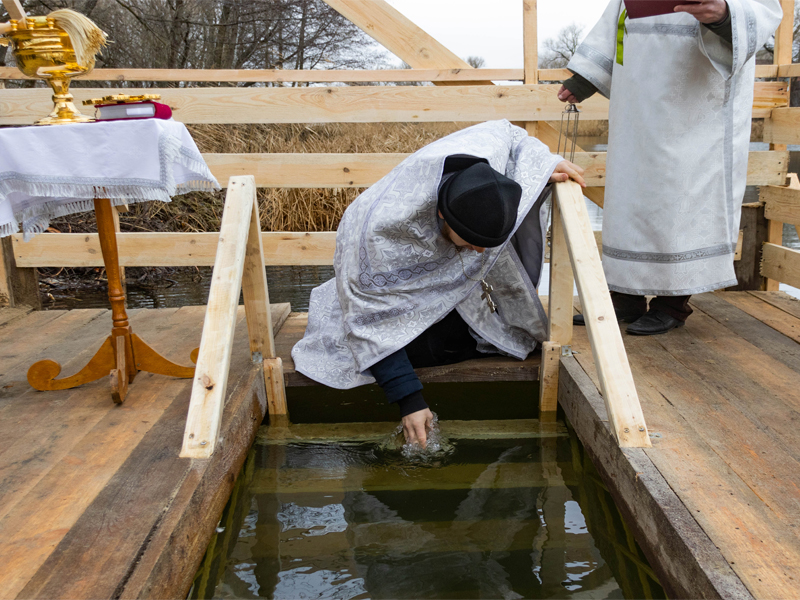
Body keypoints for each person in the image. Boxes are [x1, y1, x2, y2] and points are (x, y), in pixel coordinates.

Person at [292, 120, 585, 446]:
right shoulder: (373, 232)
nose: (479, 251)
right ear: (444, 214)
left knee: (481, 339)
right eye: (472, 241)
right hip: (371, 294)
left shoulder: (483, 153)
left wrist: (544, 163)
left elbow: (511, 133)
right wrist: (409, 399)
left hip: (438, 291)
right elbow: (368, 317)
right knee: (416, 351)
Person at [558, 0, 782, 335]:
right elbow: (618, 17)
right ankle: (625, 297)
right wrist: (585, 78)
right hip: (637, 100)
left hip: (695, 99)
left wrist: (723, 14)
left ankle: (672, 303)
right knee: (631, 196)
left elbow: (763, 11)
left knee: (681, 195)